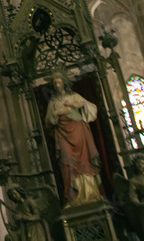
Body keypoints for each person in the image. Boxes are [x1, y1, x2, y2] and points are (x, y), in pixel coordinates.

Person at [44, 72, 102, 206]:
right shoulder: (53, 102)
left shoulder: (74, 96)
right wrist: (56, 113)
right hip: (63, 134)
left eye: (59, 82)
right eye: (55, 83)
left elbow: (91, 107)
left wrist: (79, 105)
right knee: (67, 163)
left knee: (84, 160)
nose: (57, 85)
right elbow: (48, 122)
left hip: (79, 131)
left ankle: (91, 194)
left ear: (64, 83)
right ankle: (73, 197)